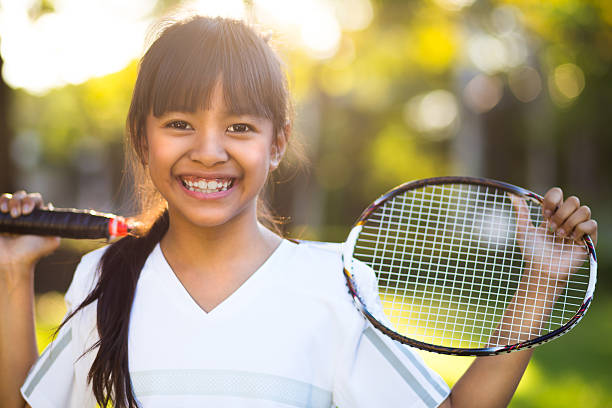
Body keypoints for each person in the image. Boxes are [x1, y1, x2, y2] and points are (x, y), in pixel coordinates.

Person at [0, 15, 598, 408]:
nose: (208, 151)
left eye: (239, 127)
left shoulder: (335, 283)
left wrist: (539, 287)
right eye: (179, 124)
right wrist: (12, 272)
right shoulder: (102, 277)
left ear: (278, 142)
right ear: (141, 136)